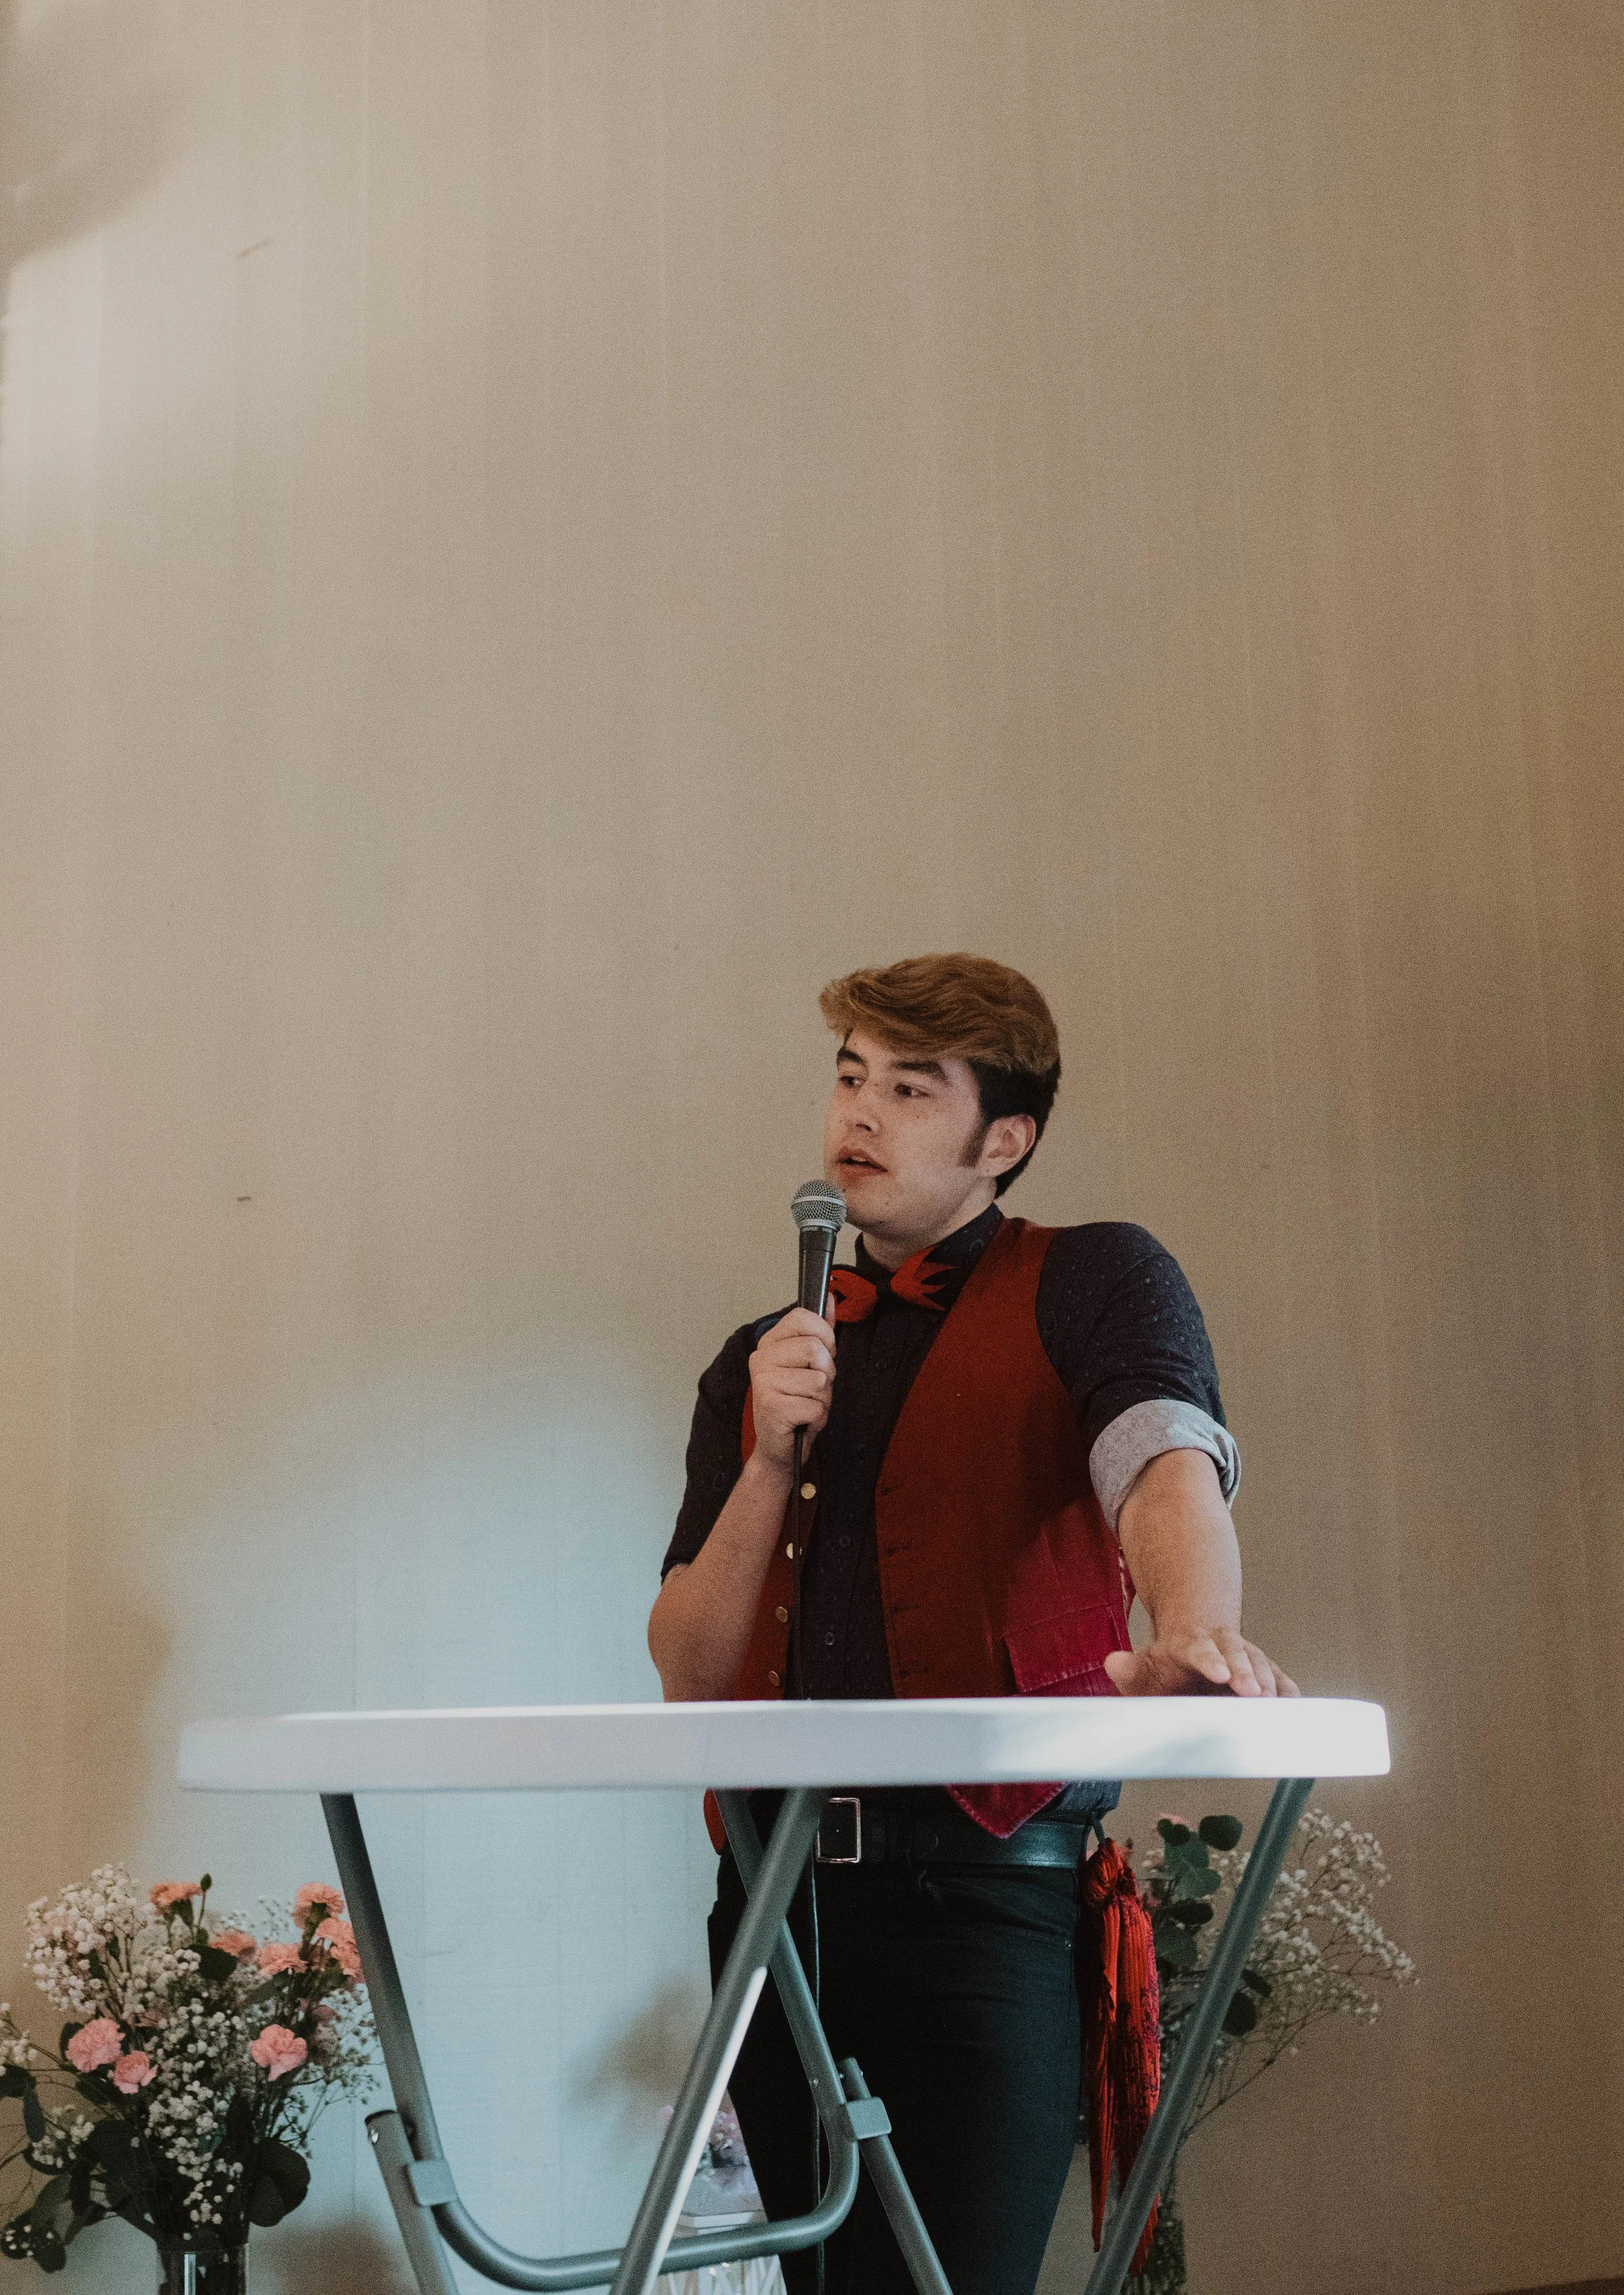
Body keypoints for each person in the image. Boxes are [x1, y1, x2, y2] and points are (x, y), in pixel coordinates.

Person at [647, 954, 1297, 2295]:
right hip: (768, 1902)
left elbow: (1162, 1460)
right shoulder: (758, 1354)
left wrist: (1196, 1627)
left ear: (1005, 1138)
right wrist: (769, 1457)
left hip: (984, 1894)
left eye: (907, 1085)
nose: (859, 1114)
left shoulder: (1095, 1277)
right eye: (846, 1077)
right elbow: (690, 1667)